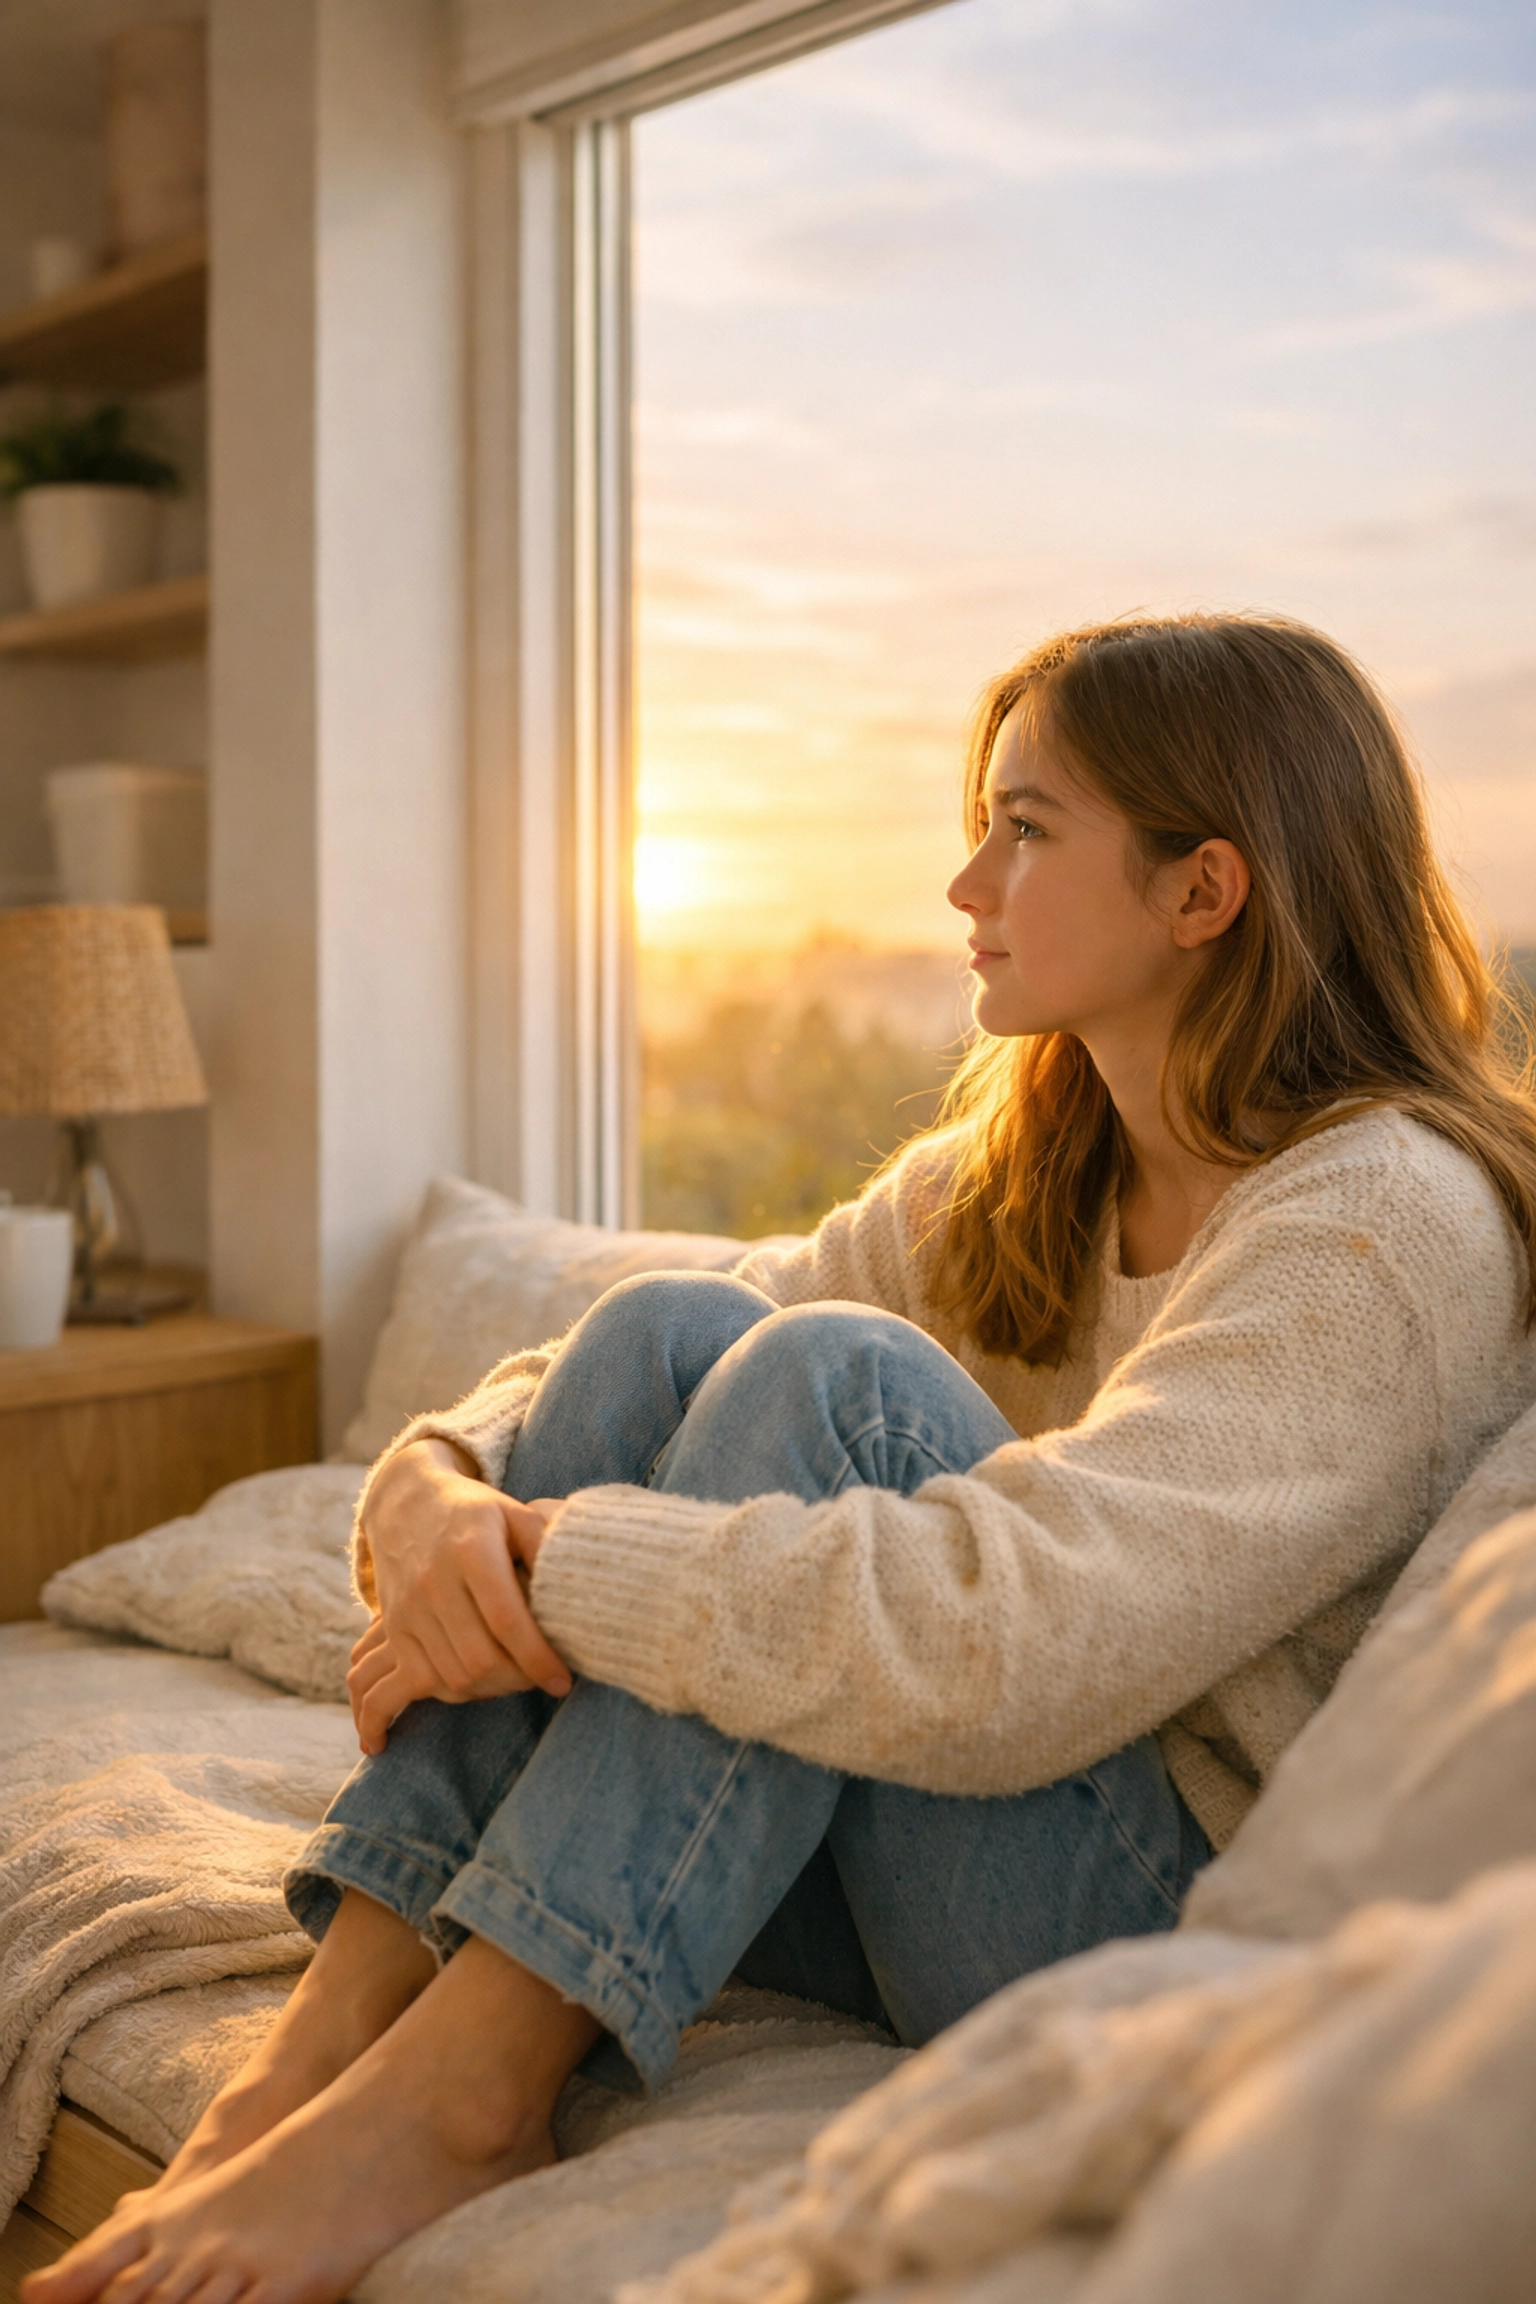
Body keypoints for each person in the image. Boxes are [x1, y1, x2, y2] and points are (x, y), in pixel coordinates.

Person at [29, 613, 1536, 2304]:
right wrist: (434, 1475)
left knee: (841, 1390)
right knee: (672, 1331)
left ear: (1206, 892)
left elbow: (1012, 1636)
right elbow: (690, 1339)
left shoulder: (1383, 1224)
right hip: (924, 1841)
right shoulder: (1028, 1167)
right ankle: (327, 2042)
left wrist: (546, 1563)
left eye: (1025, 831)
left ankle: (467, 2097)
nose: (966, 883)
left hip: (1139, 1908)